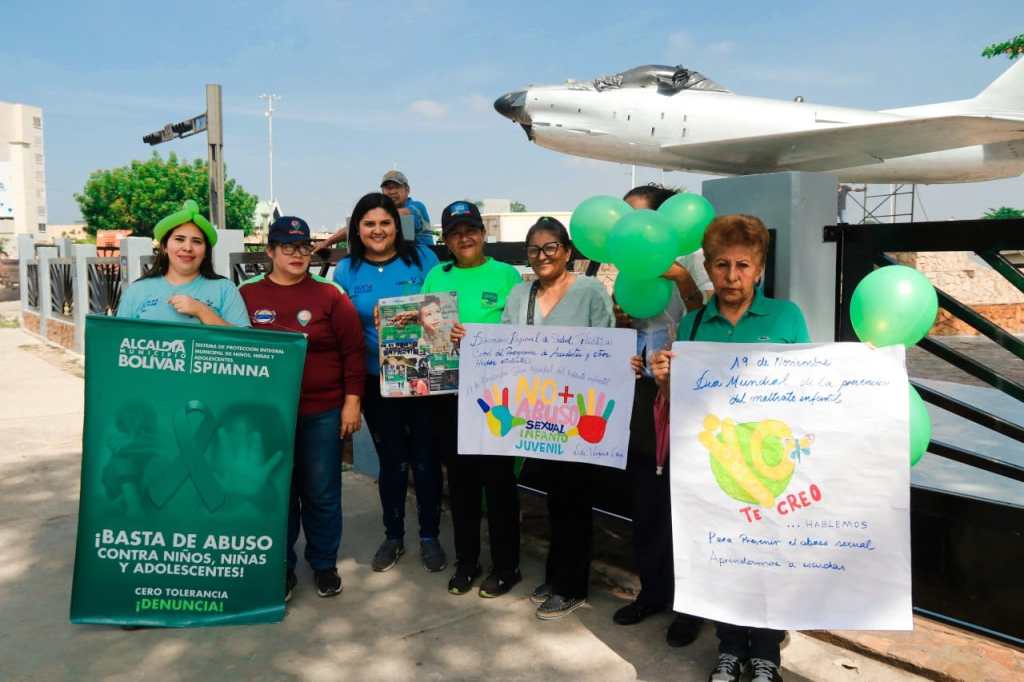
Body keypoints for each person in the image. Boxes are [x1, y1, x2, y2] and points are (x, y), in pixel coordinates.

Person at [651, 214, 809, 682]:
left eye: (743, 265)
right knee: (722, 556)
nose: (732, 276)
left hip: (771, 465)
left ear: (759, 269)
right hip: (714, 467)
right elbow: (679, 401)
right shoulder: (694, 324)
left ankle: (766, 654)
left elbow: (810, 388)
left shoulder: (786, 318)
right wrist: (664, 381)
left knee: (768, 556)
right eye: (722, 265)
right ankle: (729, 647)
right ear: (708, 268)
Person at [238, 216, 365, 601]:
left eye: (304, 247)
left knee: (321, 492)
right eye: (288, 247)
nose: (297, 254)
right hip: (268, 416)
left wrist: (352, 402)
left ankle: (324, 564)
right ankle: (281, 567)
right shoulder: (246, 294)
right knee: (278, 492)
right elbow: (229, 347)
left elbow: (353, 351)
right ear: (270, 251)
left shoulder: (330, 294)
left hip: (322, 411)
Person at [612, 185, 712, 647]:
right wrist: (625, 341)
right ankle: (652, 591)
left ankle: (690, 608)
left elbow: (708, 315)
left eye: (639, 217)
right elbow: (634, 324)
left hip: (690, 395)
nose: (629, 227)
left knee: (686, 501)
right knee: (646, 499)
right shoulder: (626, 265)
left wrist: (679, 277)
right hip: (644, 391)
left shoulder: (692, 259)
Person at [501, 216, 615, 620]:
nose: (542, 256)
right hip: (538, 414)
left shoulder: (589, 290)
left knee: (576, 499)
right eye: (534, 249)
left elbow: (606, 345)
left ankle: (573, 586)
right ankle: (556, 575)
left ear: (566, 251)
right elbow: (505, 341)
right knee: (553, 498)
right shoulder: (520, 294)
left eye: (550, 247)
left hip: (578, 414)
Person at [333, 192, 447, 573]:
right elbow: (345, 330)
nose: (378, 230)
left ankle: (429, 535)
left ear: (397, 227)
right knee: (392, 460)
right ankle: (393, 535)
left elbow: (442, 312)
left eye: (385, 223)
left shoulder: (423, 260)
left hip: (423, 376)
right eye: (369, 224)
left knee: (426, 459)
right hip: (376, 380)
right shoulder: (345, 270)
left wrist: (412, 317)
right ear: (357, 229)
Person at [422, 201, 524, 598]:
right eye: (454, 233)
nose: (464, 238)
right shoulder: (436, 275)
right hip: (449, 393)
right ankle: (467, 561)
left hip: (496, 393)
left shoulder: (507, 275)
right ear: (446, 241)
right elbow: (424, 330)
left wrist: (479, 336)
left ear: (483, 234)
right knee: (461, 483)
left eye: (470, 230)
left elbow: (520, 331)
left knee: (498, 483)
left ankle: (506, 566)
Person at [116, 199, 249, 326]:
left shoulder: (225, 289)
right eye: (179, 239)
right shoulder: (137, 290)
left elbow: (243, 340)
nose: (187, 248)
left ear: (205, 252)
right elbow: (119, 337)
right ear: (165, 247)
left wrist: (202, 311)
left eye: (197, 241)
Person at [316, 170, 434, 252]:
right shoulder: (381, 213)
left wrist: (368, 217)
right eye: (388, 188)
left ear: (407, 189)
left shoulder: (417, 206)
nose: (392, 192)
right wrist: (327, 243)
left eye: (396, 187)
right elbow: (353, 226)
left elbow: (403, 214)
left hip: (423, 261)